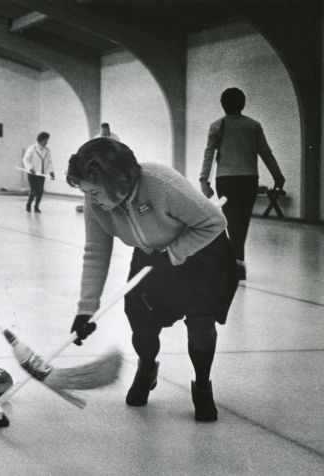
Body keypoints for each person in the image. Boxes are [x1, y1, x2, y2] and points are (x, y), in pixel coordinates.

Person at [67, 138, 238, 422]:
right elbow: (96, 252)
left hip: (201, 251)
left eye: (95, 191)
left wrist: (174, 253)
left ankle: (202, 384)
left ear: (117, 180)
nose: (91, 199)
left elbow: (214, 222)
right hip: (152, 255)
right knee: (142, 324)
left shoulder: (161, 181)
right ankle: (147, 368)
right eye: (86, 192)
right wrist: (86, 309)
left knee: (200, 325)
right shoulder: (95, 201)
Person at [200, 87, 285, 280]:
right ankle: (238, 261)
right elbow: (266, 152)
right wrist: (277, 174)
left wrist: (203, 180)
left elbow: (209, 154)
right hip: (249, 180)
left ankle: (236, 262)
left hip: (226, 180)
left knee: (232, 222)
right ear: (243, 104)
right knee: (243, 221)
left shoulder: (218, 126)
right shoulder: (253, 125)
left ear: (223, 105)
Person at [22, 131, 55, 213]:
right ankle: (28, 204)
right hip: (32, 174)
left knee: (40, 191)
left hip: (42, 174)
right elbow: (25, 159)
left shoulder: (47, 150)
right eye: (45, 140)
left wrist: (51, 172)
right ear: (41, 140)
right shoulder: (32, 148)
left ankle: (36, 206)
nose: (47, 142)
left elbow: (49, 162)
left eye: (47, 141)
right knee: (33, 190)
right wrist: (30, 168)